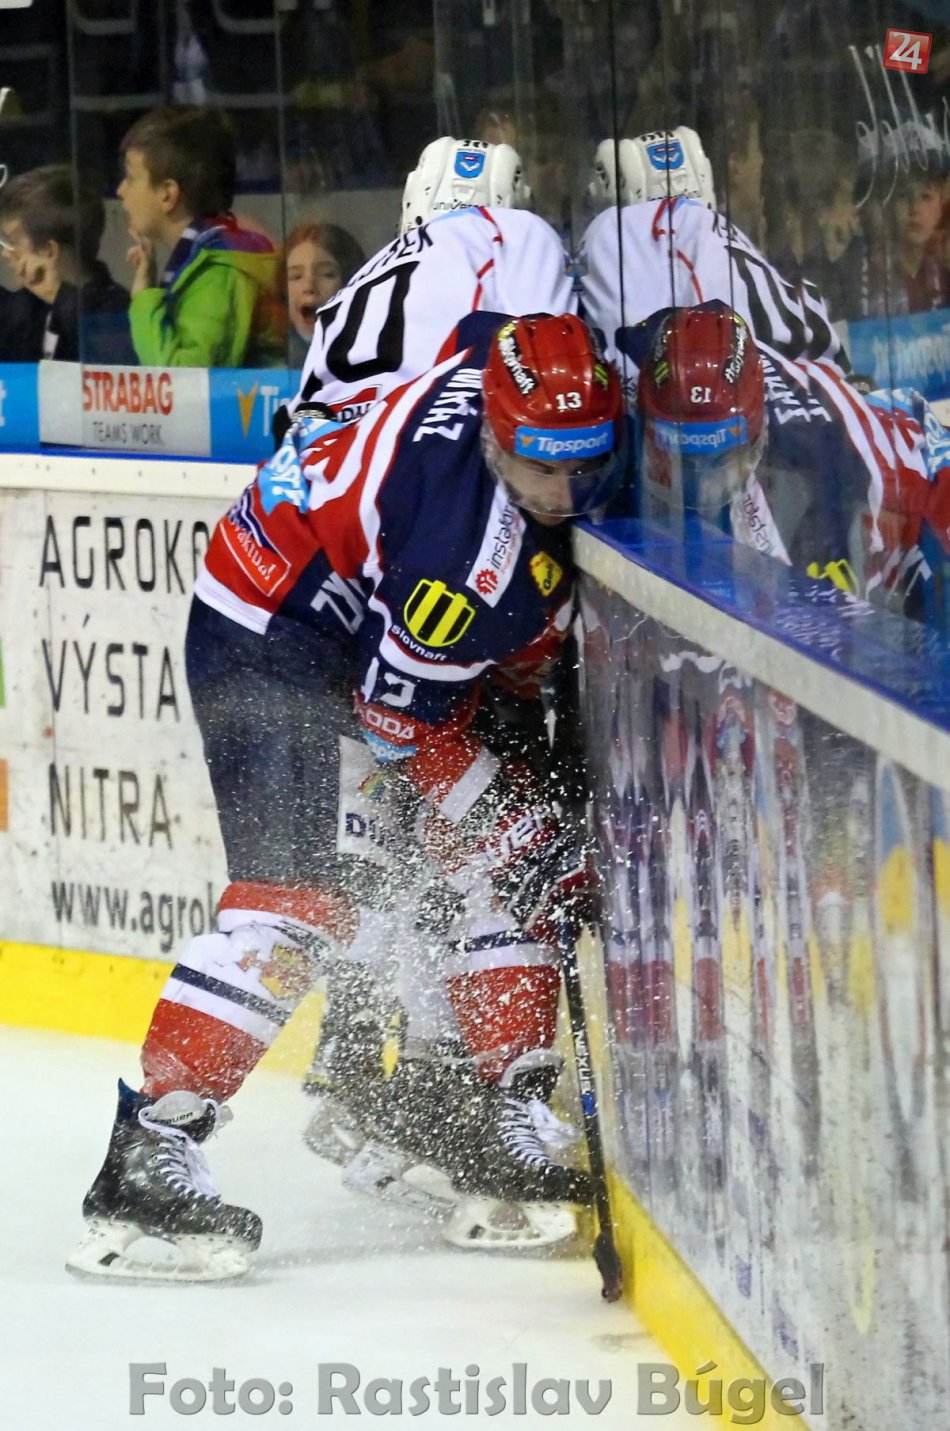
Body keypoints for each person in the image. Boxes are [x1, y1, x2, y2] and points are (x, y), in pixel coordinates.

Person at [66, 311, 624, 1282]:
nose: (565, 492)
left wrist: (507, 826)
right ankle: (147, 1152)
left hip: (360, 610)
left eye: (586, 463)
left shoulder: (506, 381)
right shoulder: (466, 557)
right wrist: (518, 830)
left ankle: (492, 1111)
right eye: (542, 467)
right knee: (304, 897)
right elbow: (398, 722)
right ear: (496, 438)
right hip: (272, 635)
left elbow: (480, 329)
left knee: (482, 844)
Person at [290, 136, 570, 426]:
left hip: (323, 441)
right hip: (426, 433)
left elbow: (301, 416)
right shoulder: (515, 233)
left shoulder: (364, 276)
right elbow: (553, 354)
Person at [580, 127, 850, 406]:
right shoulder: (728, 234)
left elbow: (630, 375)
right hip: (823, 399)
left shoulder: (625, 230)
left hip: (727, 404)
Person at [117, 104, 283, 368]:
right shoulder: (207, 261)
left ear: (167, 195)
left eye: (131, 178)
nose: (121, 190)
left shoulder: (218, 273)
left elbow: (183, 381)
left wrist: (144, 298)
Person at [0, 164, 133, 363]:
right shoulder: (28, 305)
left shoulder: (114, 310)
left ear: (48, 251)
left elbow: (112, 362)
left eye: (12, 242)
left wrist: (60, 297)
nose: (5, 253)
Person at [279, 221, 365, 370]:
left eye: (327, 274)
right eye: (296, 276)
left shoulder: (372, 360)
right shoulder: (266, 367)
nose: (309, 287)